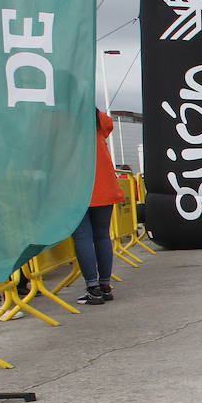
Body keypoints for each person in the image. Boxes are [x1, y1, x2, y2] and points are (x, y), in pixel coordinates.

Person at [72, 108, 124, 306]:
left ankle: (92, 288)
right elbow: (108, 124)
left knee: (82, 236)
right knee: (102, 235)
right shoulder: (96, 118)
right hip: (103, 184)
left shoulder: (61, 120)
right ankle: (105, 285)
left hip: (76, 186)